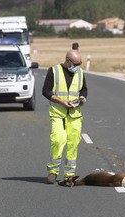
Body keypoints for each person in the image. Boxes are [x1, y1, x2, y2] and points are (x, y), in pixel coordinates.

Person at [42, 49, 88, 184]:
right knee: (58, 140)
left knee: (73, 143)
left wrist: (82, 98)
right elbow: (45, 91)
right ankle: (53, 171)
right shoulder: (54, 71)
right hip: (58, 114)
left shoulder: (79, 72)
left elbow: (84, 89)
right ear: (67, 60)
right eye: (75, 64)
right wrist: (61, 101)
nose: (77, 67)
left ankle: (69, 174)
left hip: (74, 114)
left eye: (79, 64)